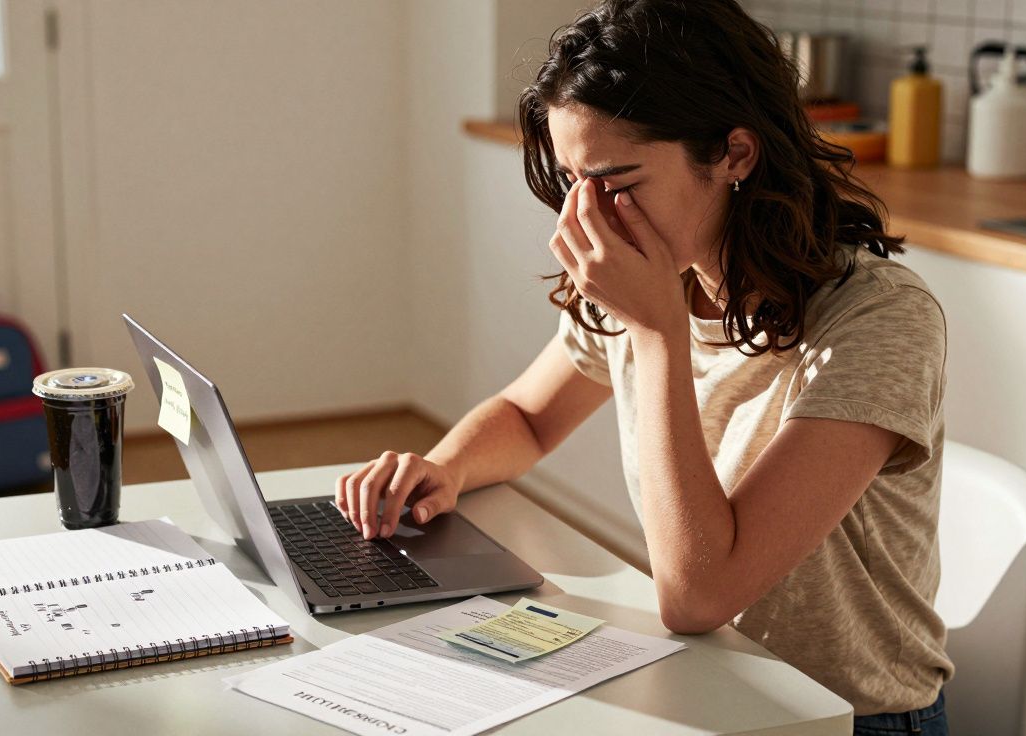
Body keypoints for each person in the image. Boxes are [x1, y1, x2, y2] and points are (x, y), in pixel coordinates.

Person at [336, 0, 953, 733]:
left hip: (851, 716)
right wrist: (446, 466)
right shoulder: (666, 275)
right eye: (571, 182)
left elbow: (698, 595)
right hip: (710, 681)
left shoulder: (880, 318)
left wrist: (657, 332)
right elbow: (529, 419)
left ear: (735, 155)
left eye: (616, 182)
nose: (585, 219)